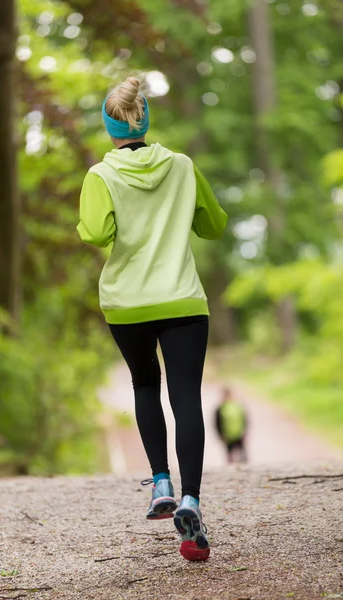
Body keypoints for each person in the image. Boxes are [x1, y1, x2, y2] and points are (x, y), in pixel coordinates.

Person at [77, 76, 227, 562]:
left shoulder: (101, 176)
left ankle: (160, 482)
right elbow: (213, 225)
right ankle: (191, 502)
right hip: (182, 300)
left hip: (127, 303)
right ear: (145, 119)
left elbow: (96, 234)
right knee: (186, 397)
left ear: (109, 125)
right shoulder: (182, 167)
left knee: (145, 386)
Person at [215, 387, 248, 464]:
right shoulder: (220, 408)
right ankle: (232, 468)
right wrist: (220, 435)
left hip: (239, 434)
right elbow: (217, 423)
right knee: (230, 455)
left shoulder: (238, 405)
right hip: (227, 436)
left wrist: (244, 431)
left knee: (242, 454)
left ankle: (244, 466)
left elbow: (244, 419)